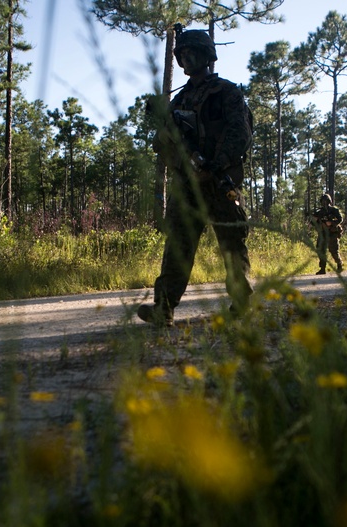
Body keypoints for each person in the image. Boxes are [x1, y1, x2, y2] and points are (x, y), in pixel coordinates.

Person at [137, 27, 253, 327]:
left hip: (218, 180)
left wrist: (217, 164)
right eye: (183, 54)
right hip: (187, 185)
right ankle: (163, 309)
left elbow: (240, 132)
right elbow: (161, 144)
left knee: (231, 243)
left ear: (205, 56)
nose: (187, 59)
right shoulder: (179, 101)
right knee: (178, 245)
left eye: (192, 53)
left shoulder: (226, 92)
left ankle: (241, 303)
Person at [310, 193, 344, 274]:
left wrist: (331, 222)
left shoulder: (334, 210)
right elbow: (312, 223)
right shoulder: (319, 212)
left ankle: (339, 265)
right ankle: (322, 268)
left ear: (329, 201)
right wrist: (315, 219)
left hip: (332, 233)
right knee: (320, 250)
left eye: (326, 201)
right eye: (323, 201)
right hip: (323, 234)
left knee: (334, 250)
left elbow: (340, 219)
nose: (325, 203)